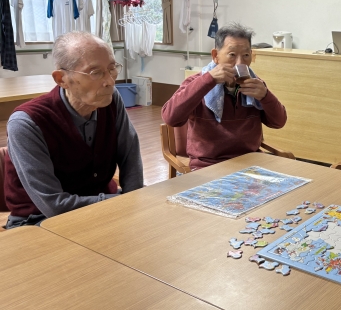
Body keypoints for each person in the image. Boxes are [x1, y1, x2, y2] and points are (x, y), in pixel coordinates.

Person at [4, 31, 143, 229]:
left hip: (104, 207)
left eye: (112, 69)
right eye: (96, 72)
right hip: (39, 220)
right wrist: (121, 201)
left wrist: (134, 199)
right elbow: (53, 205)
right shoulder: (27, 123)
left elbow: (129, 154)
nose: (110, 81)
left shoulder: (111, 100)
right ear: (61, 79)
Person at [162, 23, 287, 169]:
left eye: (246, 55)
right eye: (232, 55)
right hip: (208, 165)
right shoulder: (197, 82)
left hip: (250, 163)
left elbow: (279, 122)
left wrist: (265, 96)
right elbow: (171, 118)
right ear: (215, 56)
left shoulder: (254, 85)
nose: (240, 63)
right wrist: (208, 81)